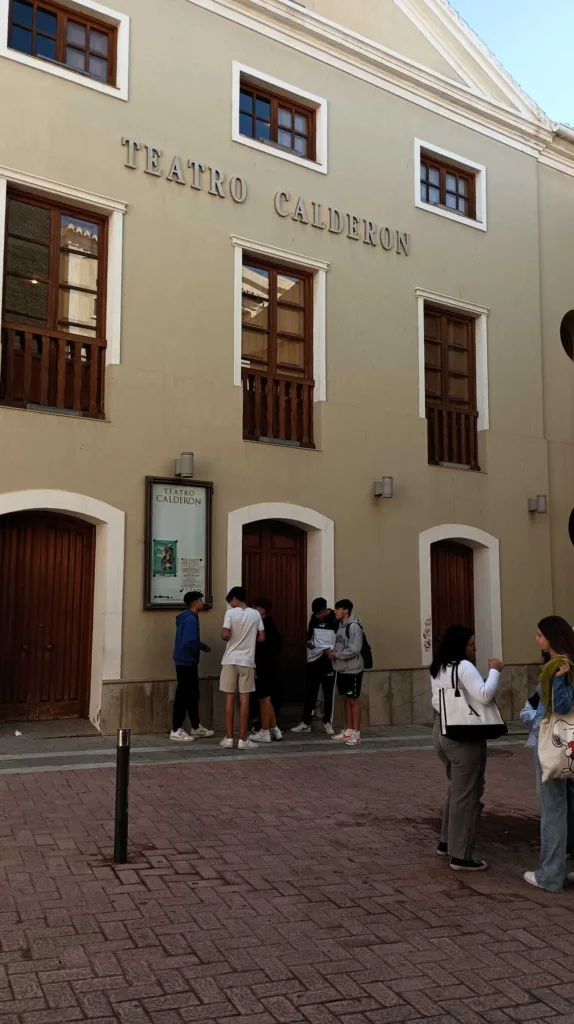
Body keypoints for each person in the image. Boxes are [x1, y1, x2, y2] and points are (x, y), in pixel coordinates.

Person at [430, 625, 503, 872]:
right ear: (460, 645)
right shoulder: (463, 666)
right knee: (468, 794)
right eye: (471, 644)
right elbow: (484, 695)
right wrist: (494, 671)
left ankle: (447, 841)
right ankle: (461, 856)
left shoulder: (438, 666)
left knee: (457, 789)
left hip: (442, 729)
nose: (474, 648)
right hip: (463, 734)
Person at [523, 616, 574, 892]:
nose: (537, 639)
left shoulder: (559, 667)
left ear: (552, 638)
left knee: (553, 809)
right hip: (569, 745)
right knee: (568, 808)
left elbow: (561, 706)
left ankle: (550, 875)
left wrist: (557, 680)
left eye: (540, 634)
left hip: (554, 744)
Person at [219, 586, 264, 750]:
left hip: (230, 659)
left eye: (231, 601)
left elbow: (225, 634)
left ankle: (229, 737)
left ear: (235, 599)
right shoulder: (256, 614)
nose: (231, 604)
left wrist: (231, 639)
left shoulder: (230, 613)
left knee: (229, 696)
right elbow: (262, 637)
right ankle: (243, 739)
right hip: (247, 660)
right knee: (245, 698)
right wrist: (249, 640)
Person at [170, 591, 214, 742]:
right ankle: (176, 729)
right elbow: (190, 642)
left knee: (192, 695)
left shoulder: (188, 618)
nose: (202, 602)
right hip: (185, 662)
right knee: (184, 695)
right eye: (200, 600)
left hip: (186, 661)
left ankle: (195, 726)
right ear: (194, 603)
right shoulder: (190, 620)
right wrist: (203, 647)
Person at [292, 598, 337, 736]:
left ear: (325, 610)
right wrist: (309, 643)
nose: (318, 616)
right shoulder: (313, 619)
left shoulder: (335, 619)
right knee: (310, 691)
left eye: (319, 614)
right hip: (314, 659)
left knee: (328, 692)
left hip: (328, 660)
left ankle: (327, 722)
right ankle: (306, 722)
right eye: (316, 614)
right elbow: (308, 635)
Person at [329, 599, 364, 747]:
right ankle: (348, 729)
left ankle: (356, 733)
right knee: (346, 699)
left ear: (346, 610)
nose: (335, 612)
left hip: (353, 669)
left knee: (353, 700)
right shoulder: (341, 627)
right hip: (342, 669)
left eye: (338, 609)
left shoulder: (354, 627)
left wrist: (338, 655)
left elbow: (355, 648)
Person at [250, 599, 283, 744]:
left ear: (262, 610)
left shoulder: (264, 626)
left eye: (256, 608)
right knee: (266, 697)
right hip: (270, 665)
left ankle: (264, 730)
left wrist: (255, 666)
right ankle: (274, 728)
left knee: (263, 698)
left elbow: (260, 648)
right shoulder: (272, 624)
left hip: (263, 665)